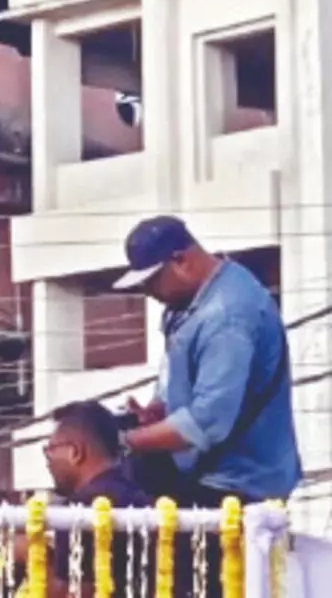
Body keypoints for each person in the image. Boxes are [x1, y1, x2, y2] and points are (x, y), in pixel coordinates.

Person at [112, 215, 300, 506]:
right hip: (204, 474)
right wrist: (157, 412)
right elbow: (184, 383)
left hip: (239, 486)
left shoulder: (226, 317)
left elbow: (207, 421)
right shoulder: (194, 300)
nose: (148, 293)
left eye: (151, 281)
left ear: (181, 261)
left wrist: (127, 442)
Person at [43, 401, 150, 596]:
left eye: (50, 450)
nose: (47, 463)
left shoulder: (78, 512)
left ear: (75, 452)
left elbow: (72, 593)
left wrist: (33, 554)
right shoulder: (141, 498)